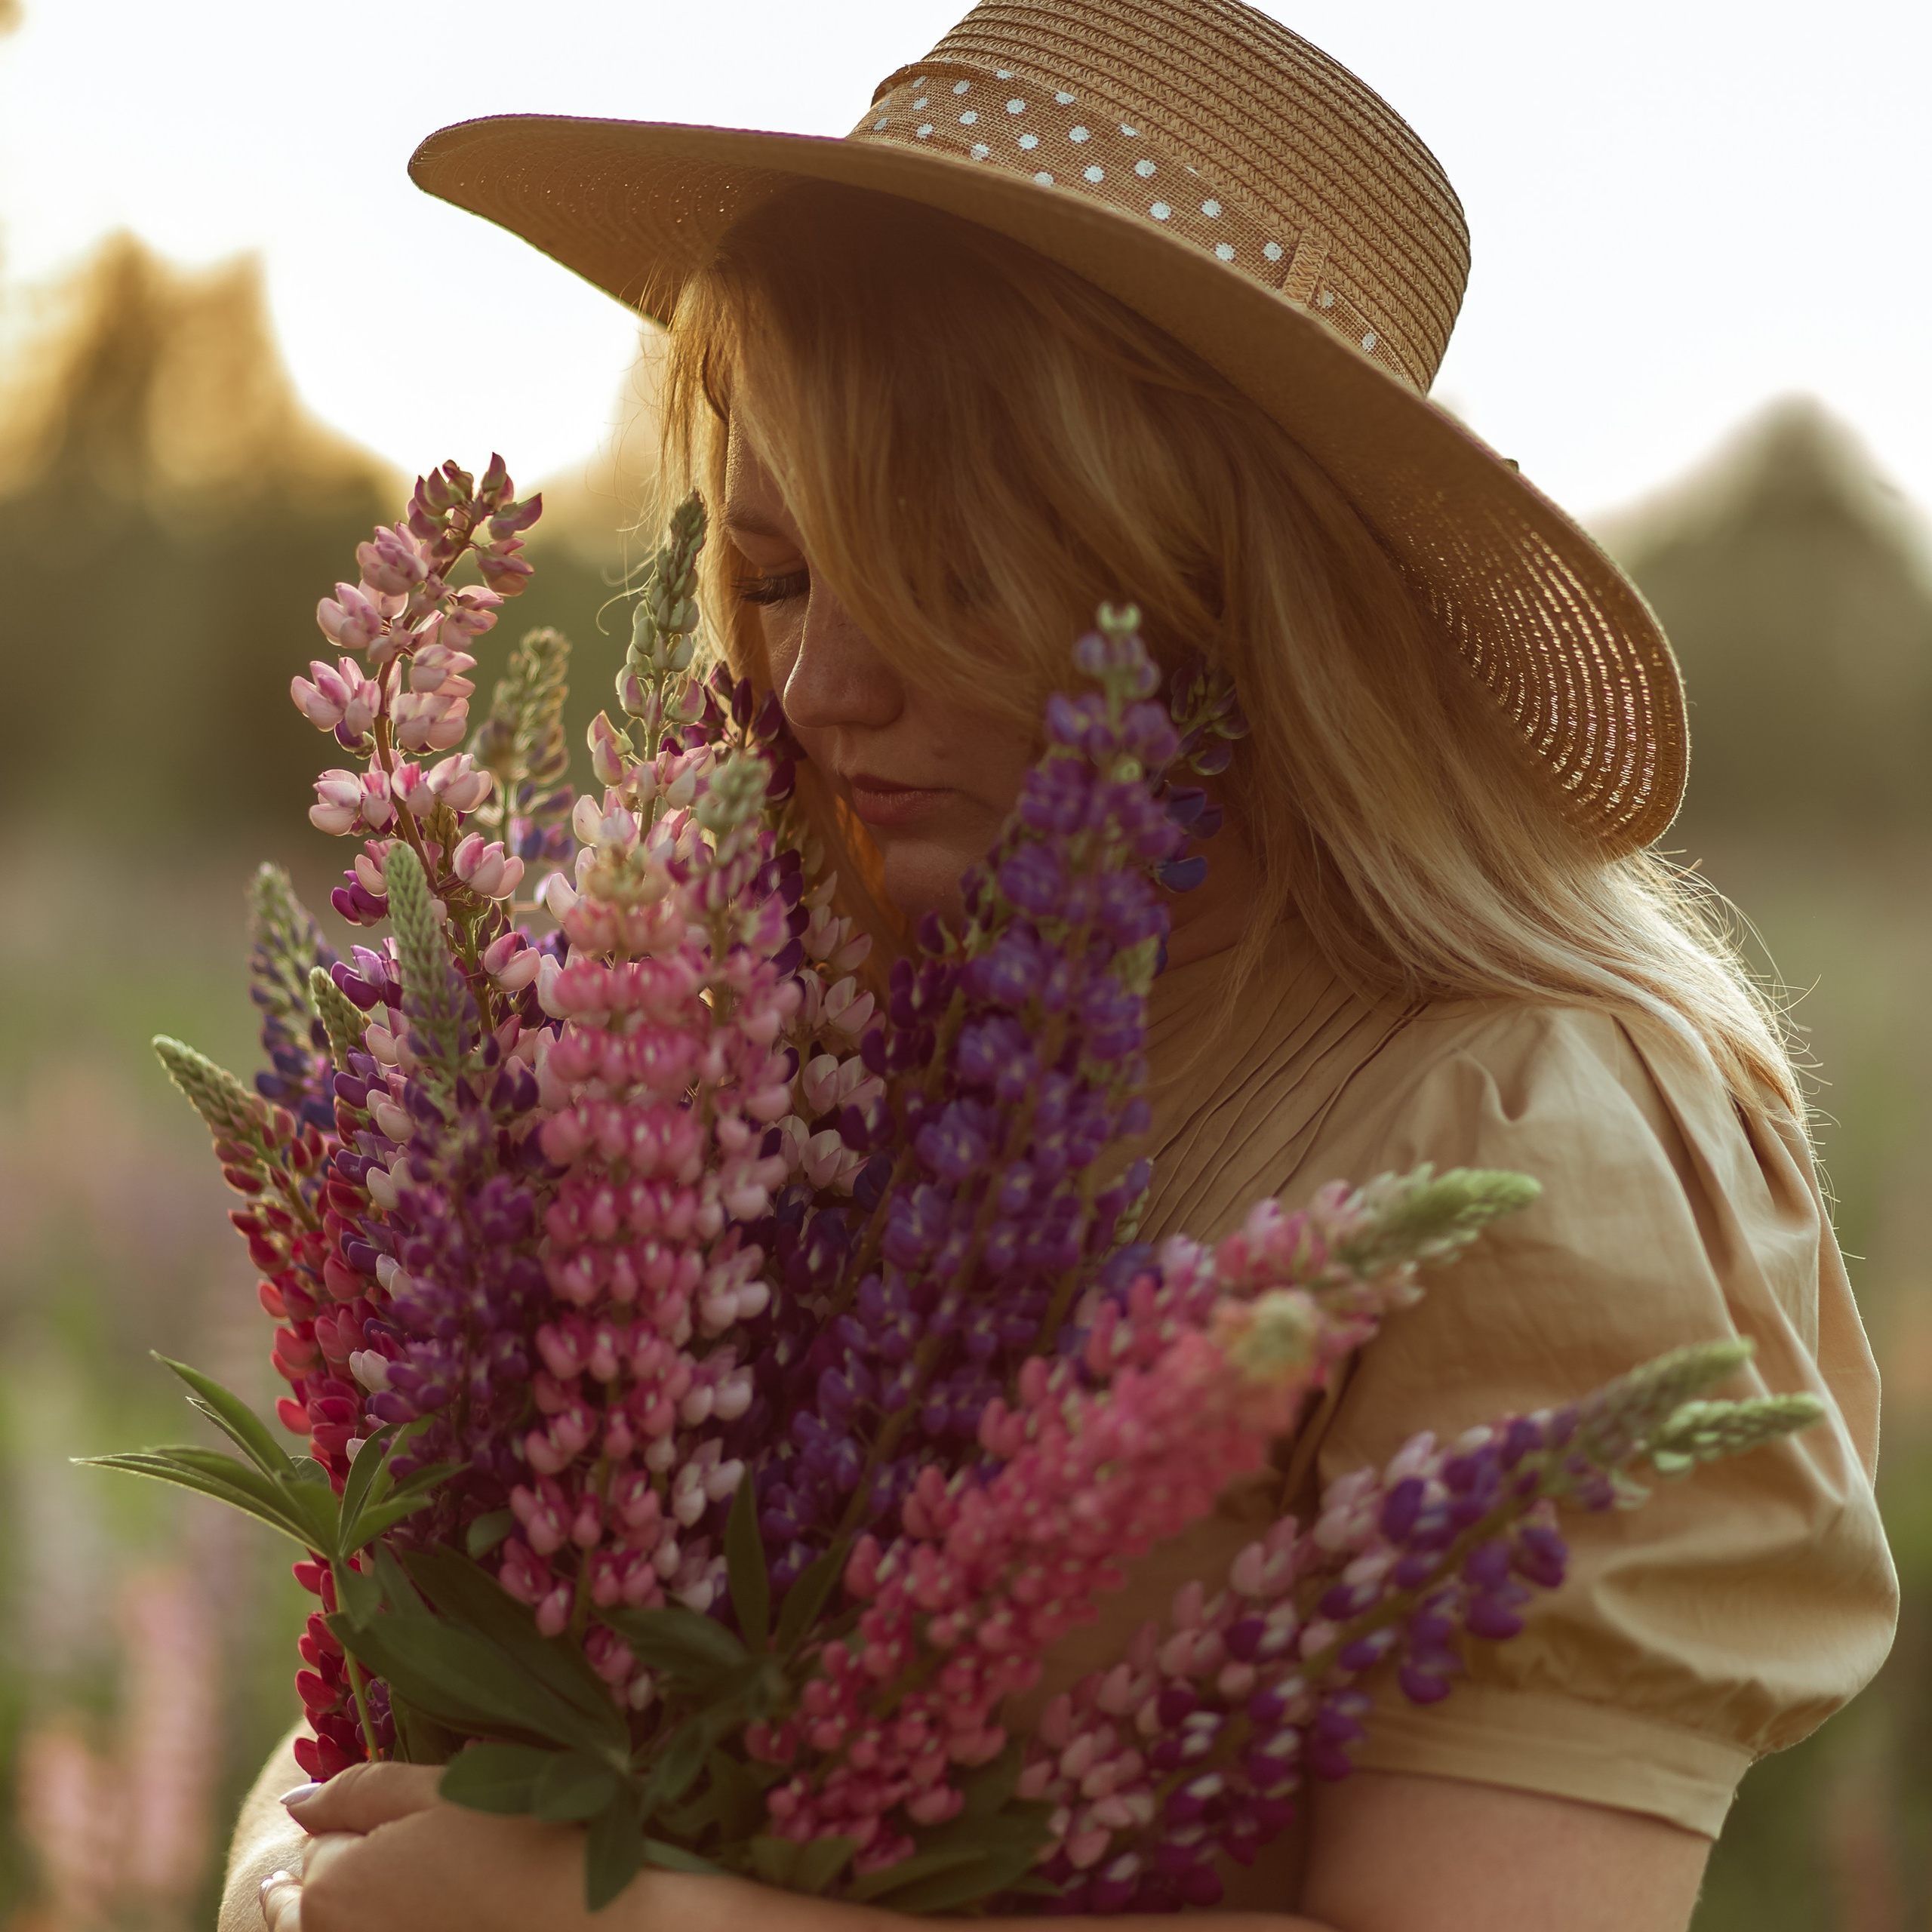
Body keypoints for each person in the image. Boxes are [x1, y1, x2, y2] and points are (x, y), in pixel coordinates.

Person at [225, 3, 1898, 1927]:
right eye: (772, 576)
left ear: (1224, 585)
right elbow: (384, 1697)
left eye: (942, 569)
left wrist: (618, 1919)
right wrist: (292, 1876)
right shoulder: (759, 1042)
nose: (821, 683)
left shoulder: (1525, 1137)